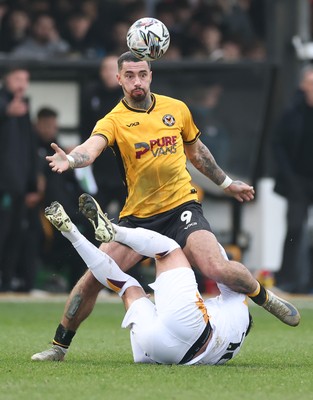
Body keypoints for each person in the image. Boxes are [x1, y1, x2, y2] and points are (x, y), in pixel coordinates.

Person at [31, 51, 300, 361]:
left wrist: (227, 184)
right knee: (93, 277)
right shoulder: (114, 121)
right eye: (129, 76)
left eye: (142, 74)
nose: (137, 81)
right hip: (139, 217)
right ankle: (58, 346)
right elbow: (91, 149)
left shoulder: (176, 109)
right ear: (119, 79)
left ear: (150, 76)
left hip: (182, 209)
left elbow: (198, 153)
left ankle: (266, 298)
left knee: (217, 267)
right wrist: (72, 159)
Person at [35, 194, 253, 364]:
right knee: (125, 286)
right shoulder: (235, 333)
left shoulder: (240, 309)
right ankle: (70, 232)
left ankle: (114, 231)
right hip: (158, 350)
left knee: (167, 249)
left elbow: (223, 264)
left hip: (193, 330)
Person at [272, 65, 313, 294]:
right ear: (303, 86)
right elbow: (278, 145)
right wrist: (289, 178)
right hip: (297, 180)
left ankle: (309, 282)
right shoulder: (292, 112)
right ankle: (288, 278)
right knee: (295, 227)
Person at [0, 66, 39, 292]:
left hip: (20, 186)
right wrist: (6, 113)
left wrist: (33, 184)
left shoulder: (24, 108)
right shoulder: (6, 106)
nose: (22, 84)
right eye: (17, 78)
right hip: (3, 185)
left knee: (17, 234)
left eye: (25, 79)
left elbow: (29, 148)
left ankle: (7, 281)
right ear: (6, 79)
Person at [80, 55, 126, 220]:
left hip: (125, 168)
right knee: (96, 216)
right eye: (105, 69)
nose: (108, 73)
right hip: (99, 166)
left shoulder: (129, 95)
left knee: (130, 218)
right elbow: (84, 129)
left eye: (113, 69)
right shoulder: (90, 93)